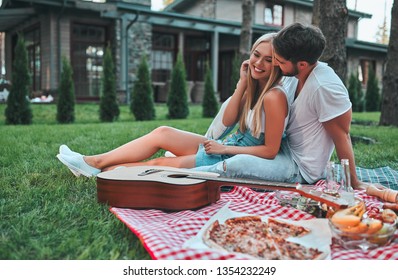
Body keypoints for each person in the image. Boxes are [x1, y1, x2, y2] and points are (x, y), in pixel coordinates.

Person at [57, 33, 292, 178]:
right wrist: (242, 84)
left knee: (158, 164)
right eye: (256, 54)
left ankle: (98, 170)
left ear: (278, 65)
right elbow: (229, 120)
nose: (258, 63)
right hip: (225, 145)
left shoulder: (274, 97)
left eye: (268, 60)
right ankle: (93, 162)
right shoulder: (256, 88)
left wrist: (225, 150)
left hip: (230, 155)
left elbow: (270, 151)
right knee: (163, 133)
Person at [194, 22, 377, 190]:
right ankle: (182, 169)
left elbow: (342, 136)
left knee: (235, 165)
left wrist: (354, 182)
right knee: (220, 154)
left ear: (302, 64)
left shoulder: (325, 87)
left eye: (279, 61)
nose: (275, 64)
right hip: (281, 150)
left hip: (300, 168)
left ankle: (186, 179)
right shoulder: (292, 75)